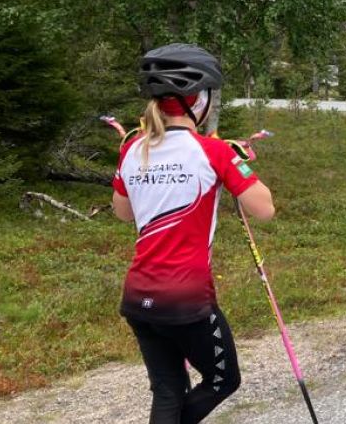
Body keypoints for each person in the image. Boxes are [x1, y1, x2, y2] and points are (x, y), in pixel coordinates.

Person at [111, 44, 276, 423]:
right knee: (222, 380)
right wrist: (237, 163)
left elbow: (122, 213)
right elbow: (265, 209)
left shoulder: (133, 150)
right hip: (185, 300)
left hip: (138, 296)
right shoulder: (213, 152)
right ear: (198, 100)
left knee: (168, 390)